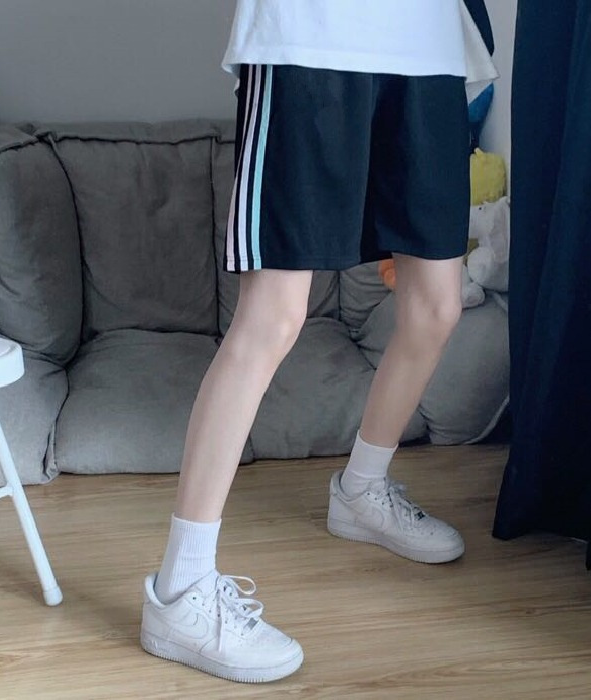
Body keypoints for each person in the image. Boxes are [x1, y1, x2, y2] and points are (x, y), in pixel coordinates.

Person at [140, 0, 497, 684]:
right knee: (273, 318)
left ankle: (362, 491)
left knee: (437, 307)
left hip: (428, 45)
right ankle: (181, 591)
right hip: (311, 37)